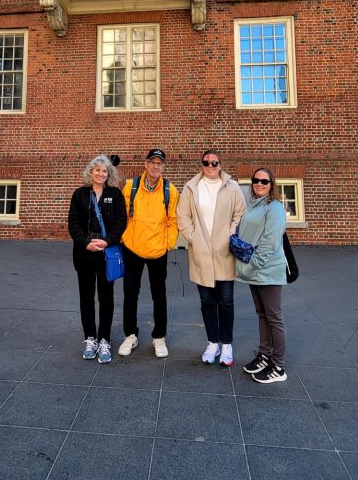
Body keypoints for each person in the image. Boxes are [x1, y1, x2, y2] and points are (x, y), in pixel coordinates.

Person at [177, 150, 246, 366]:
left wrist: (231, 233)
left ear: (220, 164)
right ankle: (212, 343)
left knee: (225, 301)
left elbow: (240, 213)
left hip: (224, 252)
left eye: (214, 162)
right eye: (206, 162)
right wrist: (193, 238)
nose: (210, 166)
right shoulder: (191, 188)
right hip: (201, 252)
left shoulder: (232, 187)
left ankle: (226, 344)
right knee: (207, 301)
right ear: (202, 164)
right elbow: (183, 216)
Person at [118, 149, 179, 358]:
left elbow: (173, 220)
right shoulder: (130, 187)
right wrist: (125, 238)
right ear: (145, 164)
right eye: (152, 162)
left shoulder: (170, 190)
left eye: (159, 163)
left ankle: (159, 336)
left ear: (163, 167)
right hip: (133, 248)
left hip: (157, 250)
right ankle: (130, 334)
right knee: (130, 293)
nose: (156, 166)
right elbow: (123, 215)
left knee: (159, 295)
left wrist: (167, 244)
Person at [68, 155, 127, 362]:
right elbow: (73, 223)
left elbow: (121, 221)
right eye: (97, 170)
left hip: (105, 254)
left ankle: (104, 340)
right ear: (90, 172)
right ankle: (90, 339)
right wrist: (85, 242)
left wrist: (108, 241)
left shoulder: (115, 194)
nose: (101, 174)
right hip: (84, 253)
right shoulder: (80, 194)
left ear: (109, 174)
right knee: (86, 297)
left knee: (106, 297)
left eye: (105, 171)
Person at [235, 167, 288, 384]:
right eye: (256, 180)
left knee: (274, 317)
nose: (259, 184)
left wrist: (253, 262)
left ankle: (278, 365)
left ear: (271, 185)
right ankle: (264, 355)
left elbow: (271, 240)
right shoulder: (253, 205)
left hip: (267, 269)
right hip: (253, 270)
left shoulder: (274, 207)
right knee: (262, 314)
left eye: (264, 181)